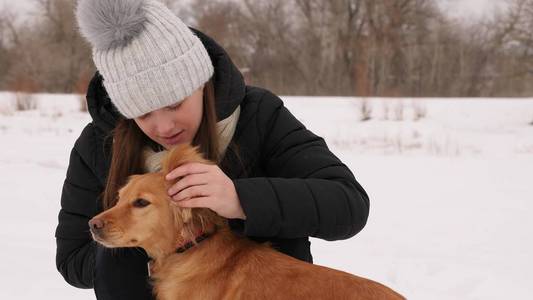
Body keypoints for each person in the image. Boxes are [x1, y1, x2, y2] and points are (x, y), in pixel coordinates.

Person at [55, 0, 370, 299]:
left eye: (174, 103)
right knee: (114, 260)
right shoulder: (98, 146)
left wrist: (240, 199)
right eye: (144, 113)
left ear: (201, 83)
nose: (164, 127)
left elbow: (348, 205)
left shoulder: (259, 116)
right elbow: (72, 259)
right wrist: (156, 241)